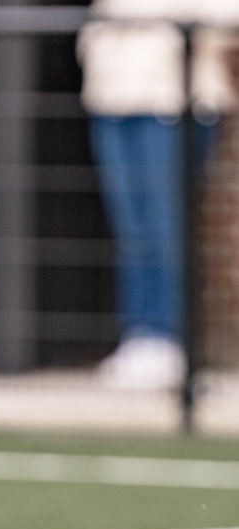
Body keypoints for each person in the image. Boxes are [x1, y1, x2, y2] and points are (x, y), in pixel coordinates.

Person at [78, 0, 237, 389]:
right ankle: (140, 334)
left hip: (175, 98)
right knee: (132, 228)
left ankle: (169, 339)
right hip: (112, 96)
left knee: (167, 225)